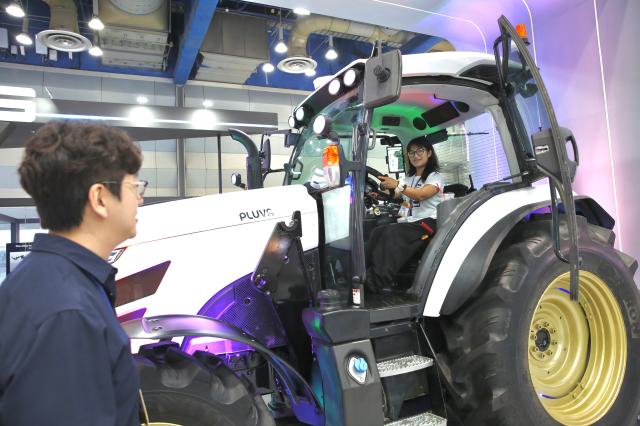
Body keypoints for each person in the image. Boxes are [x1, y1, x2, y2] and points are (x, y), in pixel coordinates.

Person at [0, 122, 145, 425]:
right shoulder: (69, 313)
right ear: (100, 198)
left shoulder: (45, 281)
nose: (140, 199)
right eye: (134, 187)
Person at [365, 135, 444, 292]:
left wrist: (397, 185)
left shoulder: (436, 177)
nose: (415, 155)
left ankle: (376, 283)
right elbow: (397, 195)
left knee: (392, 232)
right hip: (412, 221)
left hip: (428, 223)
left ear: (429, 153)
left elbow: (421, 194)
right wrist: (381, 191)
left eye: (420, 150)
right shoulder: (408, 179)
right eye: (411, 152)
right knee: (377, 231)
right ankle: (363, 275)